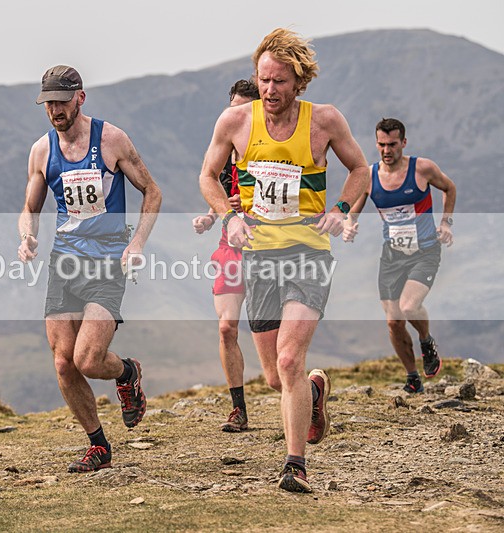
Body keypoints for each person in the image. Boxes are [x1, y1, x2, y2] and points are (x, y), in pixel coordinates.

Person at [199, 28, 370, 493]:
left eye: (279, 82)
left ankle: (295, 464)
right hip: (259, 259)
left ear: (298, 81)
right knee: (277, 376)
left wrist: (340, 209)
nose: (270, 90)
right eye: (264, 80)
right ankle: (314, 392)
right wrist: (229, 216)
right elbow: (208, 177)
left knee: (291, 357)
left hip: (309, 254)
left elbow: (360, 169)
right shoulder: (235, 122)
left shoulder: (325, 121)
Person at [18, 65, 162, 473]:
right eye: (48, 104)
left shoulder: (111, 140)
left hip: (107, 263)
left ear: (80, 97)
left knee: (87, 359)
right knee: (63, 361)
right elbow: (30, 207)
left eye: (61, 102)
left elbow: (152, 191)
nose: (54, 111)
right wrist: (27, 235)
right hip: (64, 263)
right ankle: (98, 445)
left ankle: (127, 371)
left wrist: (137, 243)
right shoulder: (41, 151)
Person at [343, 118, 456, 393]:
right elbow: (353, 208)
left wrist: (446, 223)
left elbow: (449, 188)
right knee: (393, 322)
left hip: (425, 251)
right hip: (392, 256)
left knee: (408, 307)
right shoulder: (369, 177)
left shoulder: (422, 168)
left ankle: (426, 341)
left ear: (403, 143)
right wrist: (349, 225)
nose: (386, 150)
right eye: (381, 144)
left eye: (392, 144)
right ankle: (412, 378)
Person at [192, 79, 260, 432]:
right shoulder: (224, 146)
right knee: (226, 327)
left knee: (275, 341)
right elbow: (214, 187)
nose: (235, 115)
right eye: (232, 107)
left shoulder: (268, 150)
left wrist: (248, 204)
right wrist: (210, 215)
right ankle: (239, 410)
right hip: (231, 248)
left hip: (268, 248)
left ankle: (301, 395)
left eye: (243, 109)